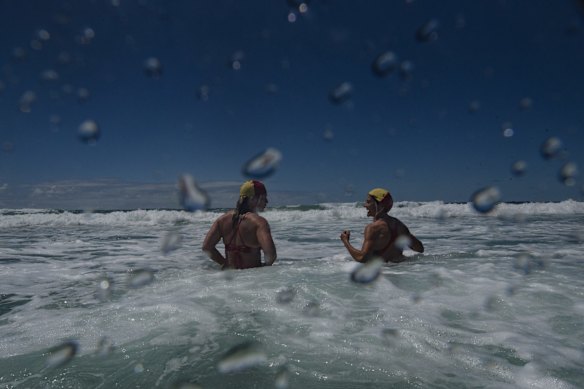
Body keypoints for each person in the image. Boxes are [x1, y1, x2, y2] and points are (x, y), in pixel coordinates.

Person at [203, 180, 277, 269]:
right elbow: (270, 254)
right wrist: (265, 268)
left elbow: (206, 247)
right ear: (253, 198)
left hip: (229, 277)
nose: (267, 201)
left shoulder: (222, 220)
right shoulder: (259, 223)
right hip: (251, 278)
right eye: (264, 197)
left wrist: (224, 263)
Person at [340, 188, 424, 263]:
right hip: (400, 272)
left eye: (368, 202)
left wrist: (346, 241)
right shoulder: (399, 225)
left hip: (382, 274)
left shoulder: (373, 228)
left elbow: (362, 258)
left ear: (380, 205)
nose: (365, 205)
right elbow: (420, 249)